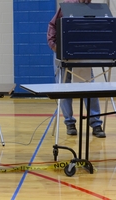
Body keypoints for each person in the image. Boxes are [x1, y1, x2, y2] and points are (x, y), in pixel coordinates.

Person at [47, 0, 106, 138]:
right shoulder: (67, 6)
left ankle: (96, 124)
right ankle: (69, 122)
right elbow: (52, 25)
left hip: (82, 52)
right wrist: (53, 45)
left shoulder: (93, 9)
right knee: (64, 88)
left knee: (89, 87)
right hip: (63, 52)